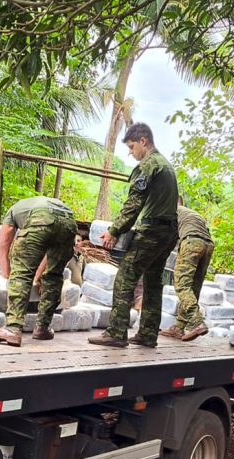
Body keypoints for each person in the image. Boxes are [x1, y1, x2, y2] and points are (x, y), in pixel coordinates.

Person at [89, 122, 178, 348]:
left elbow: (133, 204)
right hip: (169, 232)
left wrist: (114, 230)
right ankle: (148, 334)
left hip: (152, 231)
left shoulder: (149, 165)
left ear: (143, 141)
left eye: (131, 146)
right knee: (153, 281)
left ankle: (116, 332)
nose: (130, 152)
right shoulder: (166, 165)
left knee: (125, 276)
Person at [0, 196, 77, 347]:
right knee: (54, 276)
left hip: (42, 218)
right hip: (69, 223)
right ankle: (42, 328)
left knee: (22, 273)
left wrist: (8, 275)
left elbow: (4, 243)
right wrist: (38, 278)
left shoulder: (13, 211)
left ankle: (13, 328)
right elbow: (47, 256)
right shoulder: (36, 204)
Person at [161, 200, 215, 342]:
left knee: (182, 285)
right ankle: (178, 327)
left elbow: (167, 237)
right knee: (194, 287)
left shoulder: (172, 211)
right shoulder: (192, 214)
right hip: (208, 245)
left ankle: (197, 322)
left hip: (191, 242)